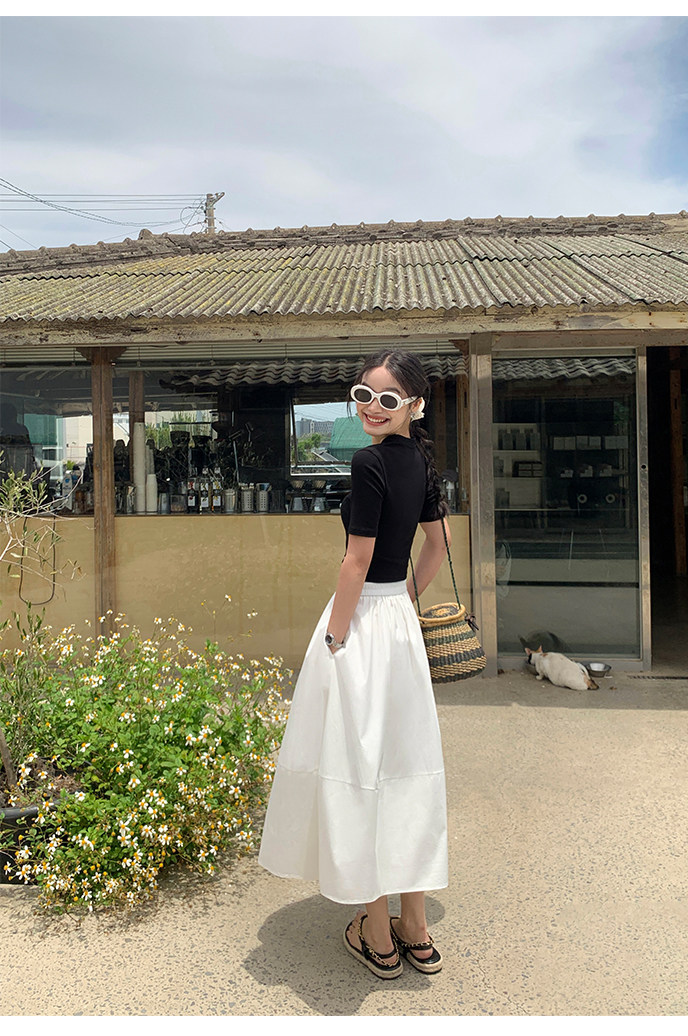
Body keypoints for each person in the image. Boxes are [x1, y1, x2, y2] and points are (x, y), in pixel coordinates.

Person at [259, 349, 451, 980]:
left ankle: (376, 931)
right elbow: (439, 544)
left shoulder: (368, 462)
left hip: (364, 621)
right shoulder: (420, 461)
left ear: (413, 405)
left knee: (358, 765)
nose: (371, 407)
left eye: (387, 398)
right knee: (406, 764)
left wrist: (337, 636)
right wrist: (407, 601)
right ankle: (415, 928)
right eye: (362, 395)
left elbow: (356, 561)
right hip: (397, 622)